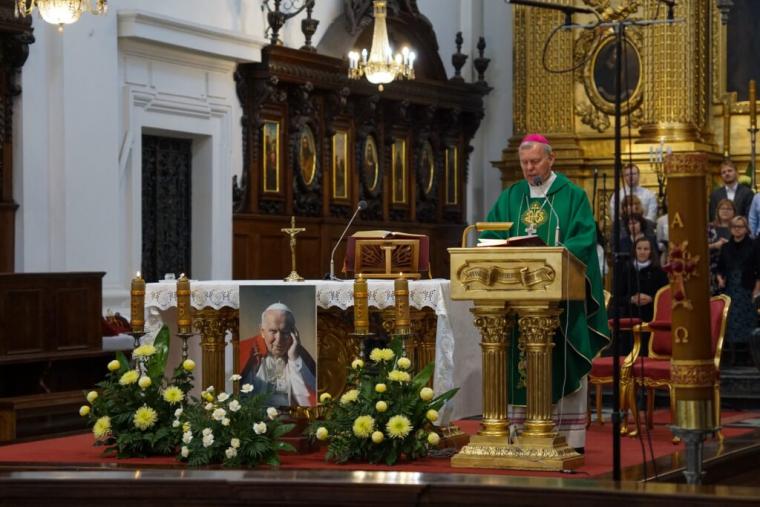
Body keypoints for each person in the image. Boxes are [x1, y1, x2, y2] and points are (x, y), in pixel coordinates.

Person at [480, 133, 610, 450]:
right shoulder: (511, 197)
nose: (529, 168)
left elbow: (584, 240)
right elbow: (490, 234)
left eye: (535, 161)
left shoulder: (573, 196)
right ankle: (519, 429)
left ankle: (568, 436)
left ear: (551, 159)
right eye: (524, 162)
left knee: (561, 360)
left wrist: (555, 256)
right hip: (515, 299)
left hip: (561, 301)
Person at [240, 302, 316, 407]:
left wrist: (294, 359)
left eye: (285, 332)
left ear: (294, 333)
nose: (279, 340)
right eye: (273, 331)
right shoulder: (247, 352)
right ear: (262, 331)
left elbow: (308, 400)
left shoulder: (299, 355)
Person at [716, 216, 760, 366]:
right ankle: (733, 357)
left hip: (747, 287)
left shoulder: (754, 246)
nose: (737, 229)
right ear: (730, 229)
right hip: (730, 288)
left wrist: (757, 289)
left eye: (740, 226)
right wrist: (720, 279)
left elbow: (759, 269)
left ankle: (750, 356)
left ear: (746, 229)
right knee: (731, 321)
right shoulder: (726, 247)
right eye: (734, 226)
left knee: (748, 321)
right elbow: (720, 268)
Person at [614, 237, 669, 355]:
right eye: (639, 248)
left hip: (651, 318)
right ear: (634, 250)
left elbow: (665, 298)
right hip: (630, 318)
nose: (642, 252)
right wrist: (632, 299)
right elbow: (617, 298)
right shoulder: (626, 270)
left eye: (646, 249)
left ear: (651, 251)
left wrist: (651, 299)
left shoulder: (659, 272)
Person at [708, 199, 735, 295]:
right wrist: (715, 245)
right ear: (717, 211)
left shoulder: (738, 227)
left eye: (729, 209)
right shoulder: (709, 227)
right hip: (711, 270)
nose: (725, 211)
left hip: (732, 271)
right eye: (722, 208)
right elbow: (700, 248)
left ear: (734, 212)